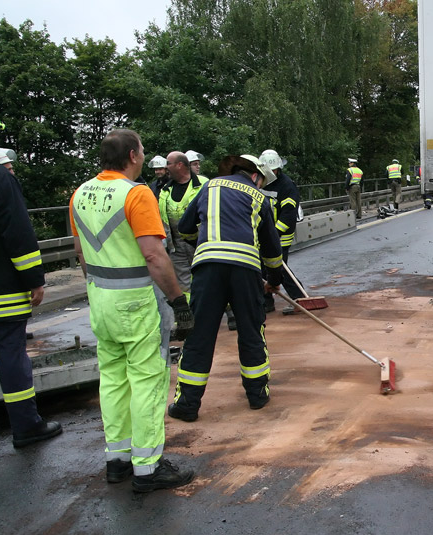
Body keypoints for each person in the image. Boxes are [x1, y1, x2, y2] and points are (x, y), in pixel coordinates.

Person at [70, 128, 194, 491]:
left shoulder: (80, 193)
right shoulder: (137, 194)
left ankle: (118, 459)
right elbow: (154, 255)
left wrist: (98, 287)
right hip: (136, 304)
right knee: (147, 379)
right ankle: (148, 466)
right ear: (133, 156)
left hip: (101, 300)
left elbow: (80, 252)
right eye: (141, 151)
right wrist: (178, 300)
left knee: (112, 378)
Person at [168, 154, 284, 421]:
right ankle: (257, 395)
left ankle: (187, 404)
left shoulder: (210, 186)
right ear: (255, 175)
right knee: (251, 331)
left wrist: (204, 241)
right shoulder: (259, 198)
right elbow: (272, 251)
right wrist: (274, 281)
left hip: (208, 269)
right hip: (245, 271)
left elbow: (185, 228)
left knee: (199, 334)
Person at [0, 151, 63, 448]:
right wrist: (34, 279)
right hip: (2, 290)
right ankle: (26, 425)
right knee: (11, 354)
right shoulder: (0, 178)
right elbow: (18, 233)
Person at [259, 148, 304, 315]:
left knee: (279, 269)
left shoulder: (287, 186)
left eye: (275, 170)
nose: (272, 174)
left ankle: (299, 298)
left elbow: (288, 215)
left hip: (280, 236)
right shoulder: (260, 182)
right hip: (262, 235)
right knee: (261, 269)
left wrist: (274, 234)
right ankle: (266, 302)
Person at [158, 151, 209, 296]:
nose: (165, 167)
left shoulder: (204, 184)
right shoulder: (165, 190)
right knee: (183, 284)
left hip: (200, 242)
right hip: (176, 245)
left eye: (168, 163)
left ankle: (217, 307)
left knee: (206, 278)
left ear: (179, 165)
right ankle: (189, 309)